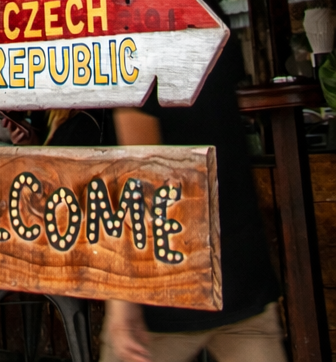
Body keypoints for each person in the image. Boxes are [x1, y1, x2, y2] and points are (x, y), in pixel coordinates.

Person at [102, 30, 282, 362]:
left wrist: (122, 300)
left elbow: (142, 180)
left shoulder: (135, 39)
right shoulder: (208, 16)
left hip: (169, 284)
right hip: (240, 271)